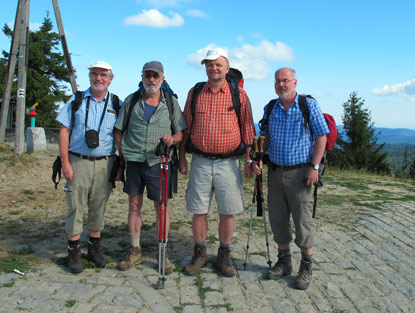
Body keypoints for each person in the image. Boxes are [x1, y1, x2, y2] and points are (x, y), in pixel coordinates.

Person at [179, 48, 255, 277]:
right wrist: (182, 156)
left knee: (227, 211)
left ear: (227, 68)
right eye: (209, 64)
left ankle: (224, 254)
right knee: (199, 210)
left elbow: (248, 129)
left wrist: (250, 159)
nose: (214, 68)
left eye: (218, 64)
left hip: (229, 163)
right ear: (204, 68)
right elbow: (186, 127)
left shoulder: (239, 95)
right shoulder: (195, 92)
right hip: (200, 161)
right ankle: (200, 252)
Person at [255, 67, 329, 290]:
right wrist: (258, 157)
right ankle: (284, 262)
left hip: (301, 174)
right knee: (278, 219)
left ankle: (306, 266)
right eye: (278, 81)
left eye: (285, 80)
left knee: (302, 222)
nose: (281, 85)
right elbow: (265, 137)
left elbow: (321, 136)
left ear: (295, 82)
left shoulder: (308, 106)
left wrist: (315, 167)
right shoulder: (271, 107)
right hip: (275, 171)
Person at [114, 61, 186, 274]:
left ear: (162, 78)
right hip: (134, 161)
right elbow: (119, 130)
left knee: (161, 207)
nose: (151, 80)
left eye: (156, 76)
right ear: (142, 76)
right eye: (148, 75)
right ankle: (135, 249)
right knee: (134, 206)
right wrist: (123, 155)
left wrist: (172, 139)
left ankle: (162, 252)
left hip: (160, 162)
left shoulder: (170, 102)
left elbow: (181, 132)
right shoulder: (132, 100)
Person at [56, 61, 121, 274]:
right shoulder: (76, 100)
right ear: (90, 77)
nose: (99, 78)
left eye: (103, 75)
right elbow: (64, 131)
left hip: (105, 163)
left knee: (98, 206)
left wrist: (121, 163)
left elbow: (119, 135)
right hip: (78, 161)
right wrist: (65, 162)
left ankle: (94, 249)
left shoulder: (116, 103)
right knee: (75, 206)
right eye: (95, 74)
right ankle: (73, 251)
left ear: (110, 79)